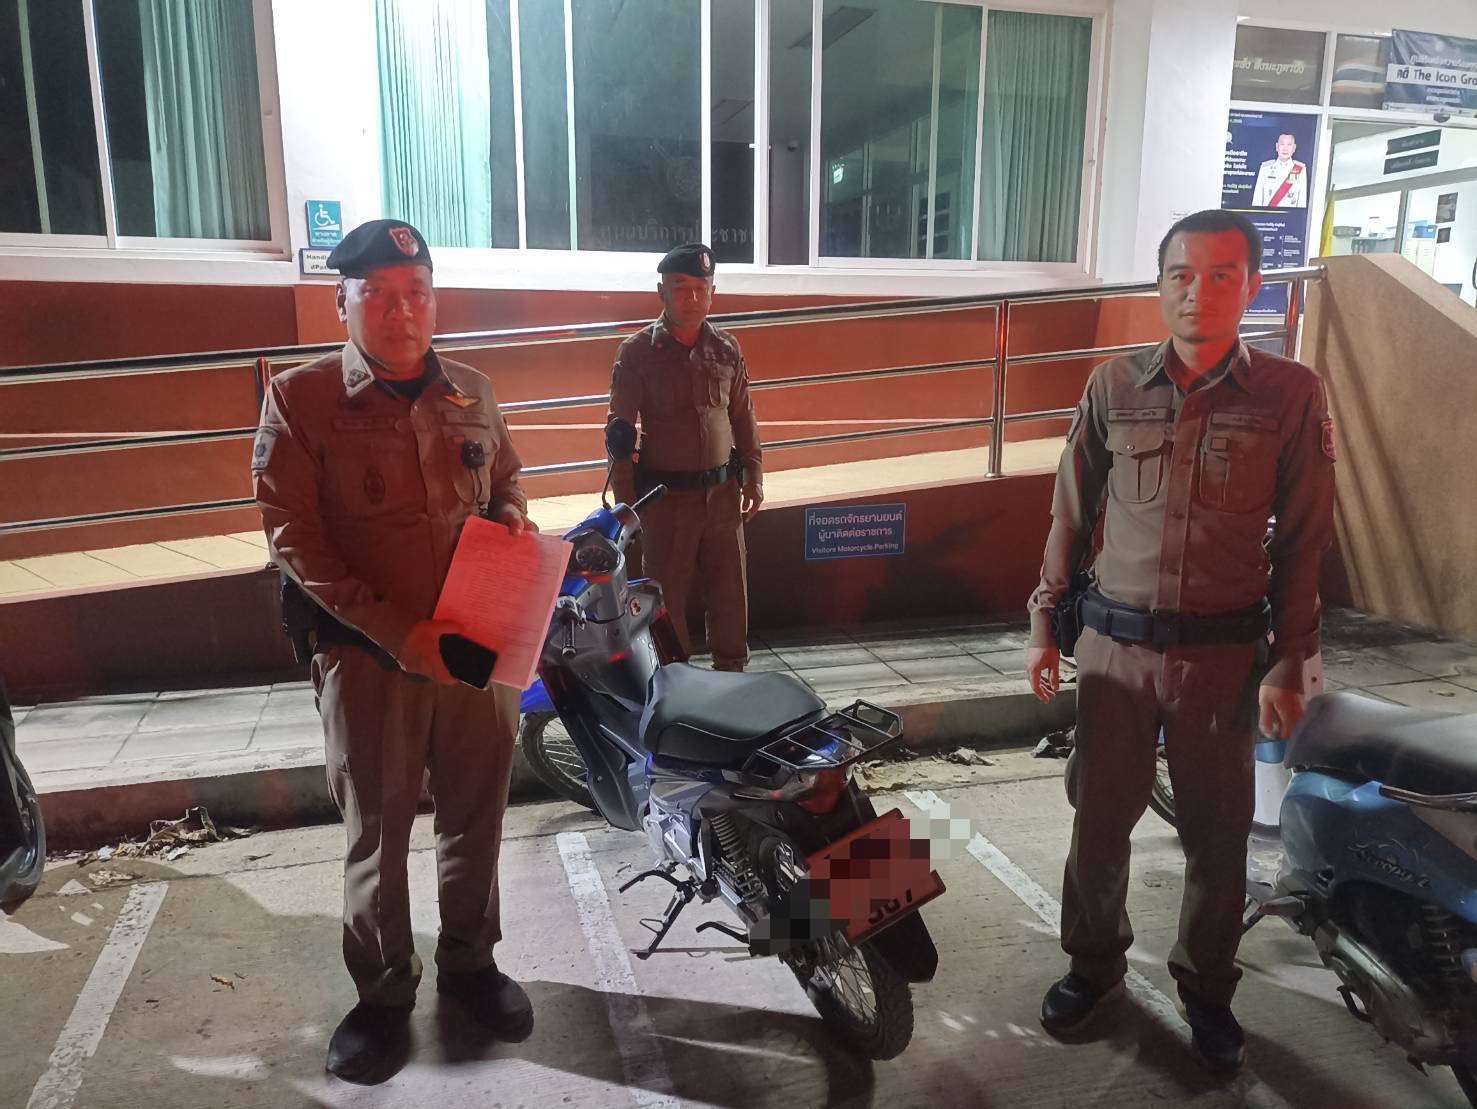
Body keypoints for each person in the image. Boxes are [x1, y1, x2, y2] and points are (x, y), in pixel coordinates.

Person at [1023, 209, 1335, 1071]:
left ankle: (1205, 987)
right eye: (1180, 274)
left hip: (1221, 658)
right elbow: (1069, 514)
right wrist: (1044, 622)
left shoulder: (1289, 393)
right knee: (1099, 820)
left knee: (1217, 833)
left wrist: (1290, 660)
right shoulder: (1112, 384)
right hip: (1114, 652)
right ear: (1160, 284)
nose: (1197, 291)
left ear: (1252, 285)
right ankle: (1092, 965)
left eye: (1220, 274)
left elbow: (1302, 540)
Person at [252, 219, 535, 1085]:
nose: (400, 310)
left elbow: (507, 476)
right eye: (376, 293)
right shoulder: (300, 399)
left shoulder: (472, 390)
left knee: (476, 814)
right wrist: (401, 632)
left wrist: (512, 516)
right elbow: (295, 540)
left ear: (434, 301)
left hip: (475, 652)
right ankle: (381, 995)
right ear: (342, 302)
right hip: (369, 660)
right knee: (376, 830)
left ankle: (470, 962)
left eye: (415, 293)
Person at [605, 242, 764, 671]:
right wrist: (626, 504)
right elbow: (619, 434)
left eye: (700, 287)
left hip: (723, 499)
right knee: (665, 602)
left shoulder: (726, 348)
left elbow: (743, 416)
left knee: (730, 595)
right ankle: (674, 684)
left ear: (712, 292)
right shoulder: (637, 353)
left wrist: (754, 475)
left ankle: (732, 677)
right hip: (666, 503)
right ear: (662, 292)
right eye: (680, 287)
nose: (692, 297)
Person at [1251, 133, 1307, 208]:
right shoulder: (1265, 168)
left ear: (1294, 148)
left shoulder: (1300, 170)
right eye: (1282, 144)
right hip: (1267, 214)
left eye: (1289, 145)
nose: (1285, 149)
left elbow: (1302, 202)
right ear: (1277, 147)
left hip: (1290, 214)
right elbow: (1257, 200)